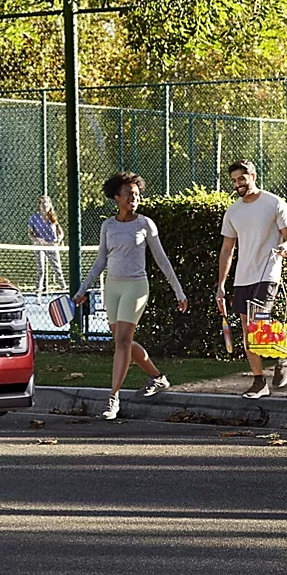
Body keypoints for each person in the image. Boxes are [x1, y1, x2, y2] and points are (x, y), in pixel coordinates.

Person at [73, 172, 188, 420]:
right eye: (128, 194)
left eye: (136, 194)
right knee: (121, 341)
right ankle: (158, 378)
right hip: (112, 287)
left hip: (136, 287)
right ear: (117, 198)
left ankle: (113, 399)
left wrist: (178, 291)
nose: (133, 198)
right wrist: (83, 290)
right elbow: (100, 261)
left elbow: (162, 260)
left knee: (124, 340)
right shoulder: (108, 226)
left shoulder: (145, 224)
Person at [216, 159, 287, 398]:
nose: (238, 184)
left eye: (242, 178)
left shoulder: (274, 203)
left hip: (268, 273)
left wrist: (285, 248)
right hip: (243, 278)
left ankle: (282, 356)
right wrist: (221, 285)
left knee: (257, 324)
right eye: (233, 180)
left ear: (253, 176)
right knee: (246, 329)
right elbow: (227, 250)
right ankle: (260, 380)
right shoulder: (233, 211)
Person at [27, 195, 66, 303]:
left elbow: (60, 232)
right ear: (39, 205)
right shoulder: (34, 218)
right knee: (41, 270)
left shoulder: (53, 218)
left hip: (52, 246)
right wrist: (37, 240)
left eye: (47, 203)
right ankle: (37, 295)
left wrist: (59, 238)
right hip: (39, 246)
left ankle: (65, 290)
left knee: (57, 269)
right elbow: (30, 234)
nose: (45, 205)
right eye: (42, 203)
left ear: (50, 205)